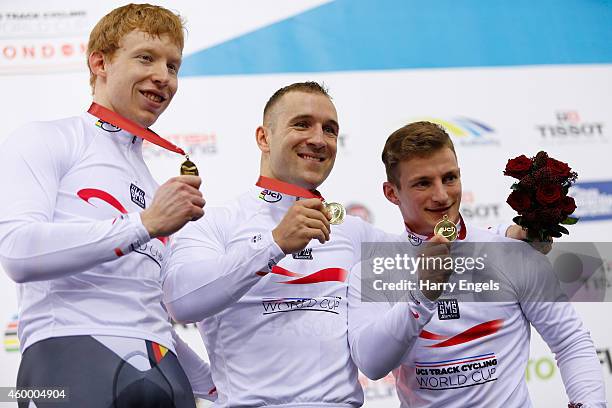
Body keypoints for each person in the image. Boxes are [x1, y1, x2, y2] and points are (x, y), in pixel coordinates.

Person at [163, 82, 526, 406]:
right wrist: (274, 245)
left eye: (330, 129)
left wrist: (509, 236)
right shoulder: (216, 223)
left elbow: (431, 247)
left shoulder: (352, 232)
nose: (319, 139)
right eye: (302, 124)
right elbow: (180, 303)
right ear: (263, 137)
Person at [0, 4, 215, 407]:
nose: (162, 76)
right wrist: (145, 223)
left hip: (162, 372)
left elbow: (148, 311)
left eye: (173, 66)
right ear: (100, 62)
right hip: (66, 359)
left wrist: (218, 386)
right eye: (146, 58)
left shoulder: (153, 184)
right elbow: (17, 252)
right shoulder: (49, 139)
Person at [347, 121, 606, 407]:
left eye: (449, 178)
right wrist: (421, 296)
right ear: (391, 193)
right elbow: (371, 364)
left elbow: (570, 341)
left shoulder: (511, 252)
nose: (442, 195)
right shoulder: (373, 270)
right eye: (423, 183)